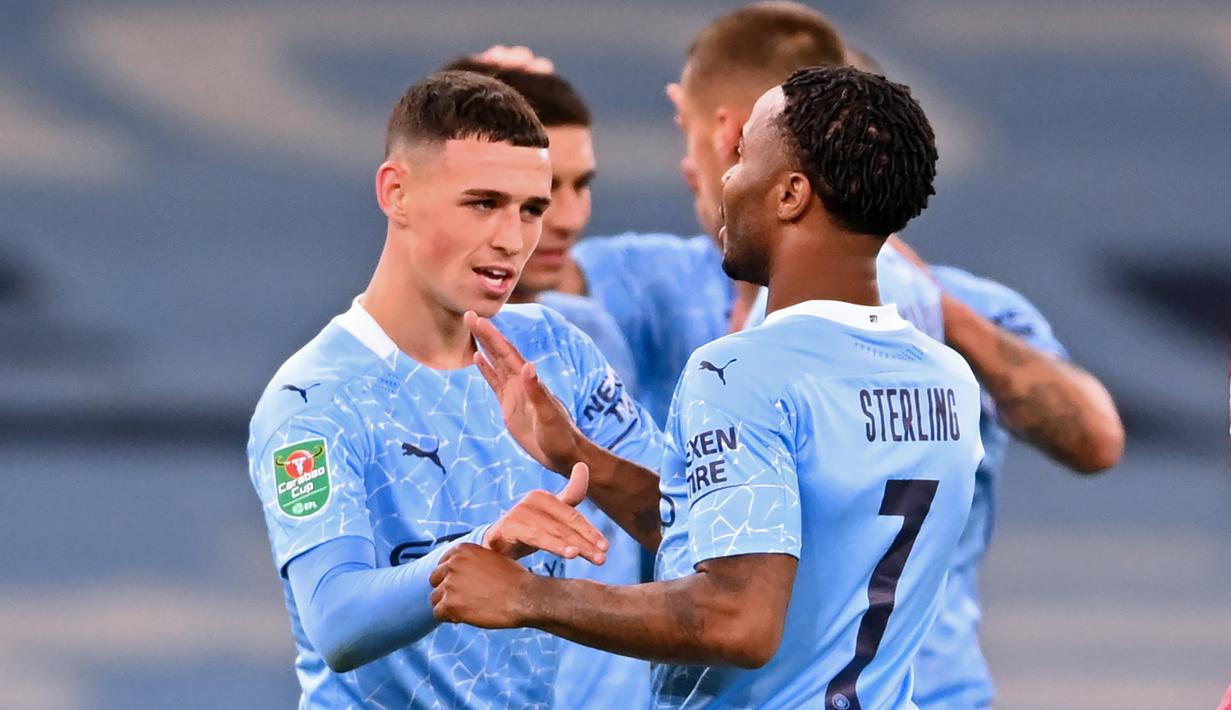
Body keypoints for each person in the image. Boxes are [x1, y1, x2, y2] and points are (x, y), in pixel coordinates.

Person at [431, 66, 983, 710]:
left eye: (744, 156)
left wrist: (527, 595)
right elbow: (759, 547)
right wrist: (579, 455)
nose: (727, 178)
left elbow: (737, 618)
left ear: (790, 195)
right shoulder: (944, 377)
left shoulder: (743, 372)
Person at [245, 70, 662, 708]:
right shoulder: (314, 398)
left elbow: (691, 525)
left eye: (531, 210)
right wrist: (486, 547)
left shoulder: (556, 350)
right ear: (396, 192)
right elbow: (337, 621)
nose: (512, 239)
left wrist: (582, 455)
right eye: (483, 202)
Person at [841, 47, 1125, 709]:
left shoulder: (964, 308)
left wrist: (942, 313)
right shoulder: (659, 292)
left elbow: (1095, 441)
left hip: (933, 690)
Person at [552, 1, 944, 424]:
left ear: (730, 136)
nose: (691, 167)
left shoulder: (765, 353)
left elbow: (731, 488)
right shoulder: (938, 356)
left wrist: (582, 457)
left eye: (686, 128)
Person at [439, 55, 651, 710]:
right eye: (536, 193)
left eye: (577, 185)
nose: (565, 219)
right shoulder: (371, 369)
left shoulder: (595, 333)